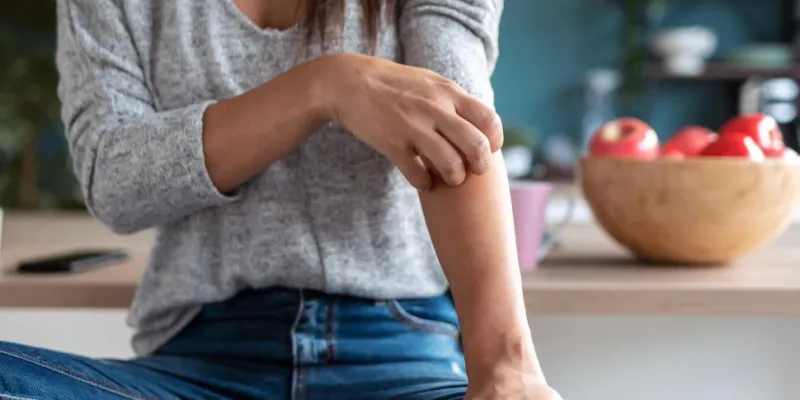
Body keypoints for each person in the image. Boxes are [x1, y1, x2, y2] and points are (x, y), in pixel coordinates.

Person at [0, 0, 562, 399]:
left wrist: (507, 371)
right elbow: (112, 178)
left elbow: (456, 132)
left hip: (400, 355)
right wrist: (325, 86)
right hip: (199, 364)